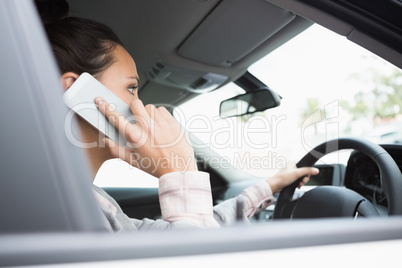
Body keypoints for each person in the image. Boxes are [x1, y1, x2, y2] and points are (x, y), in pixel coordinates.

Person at [35, 0, 319, 232]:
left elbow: (186, 232)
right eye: (131, 88)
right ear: (75, 90)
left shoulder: (89, 200)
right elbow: (194, 254)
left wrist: (270, 185)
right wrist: (178, 169)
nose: (140, 105)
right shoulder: (59, 211)